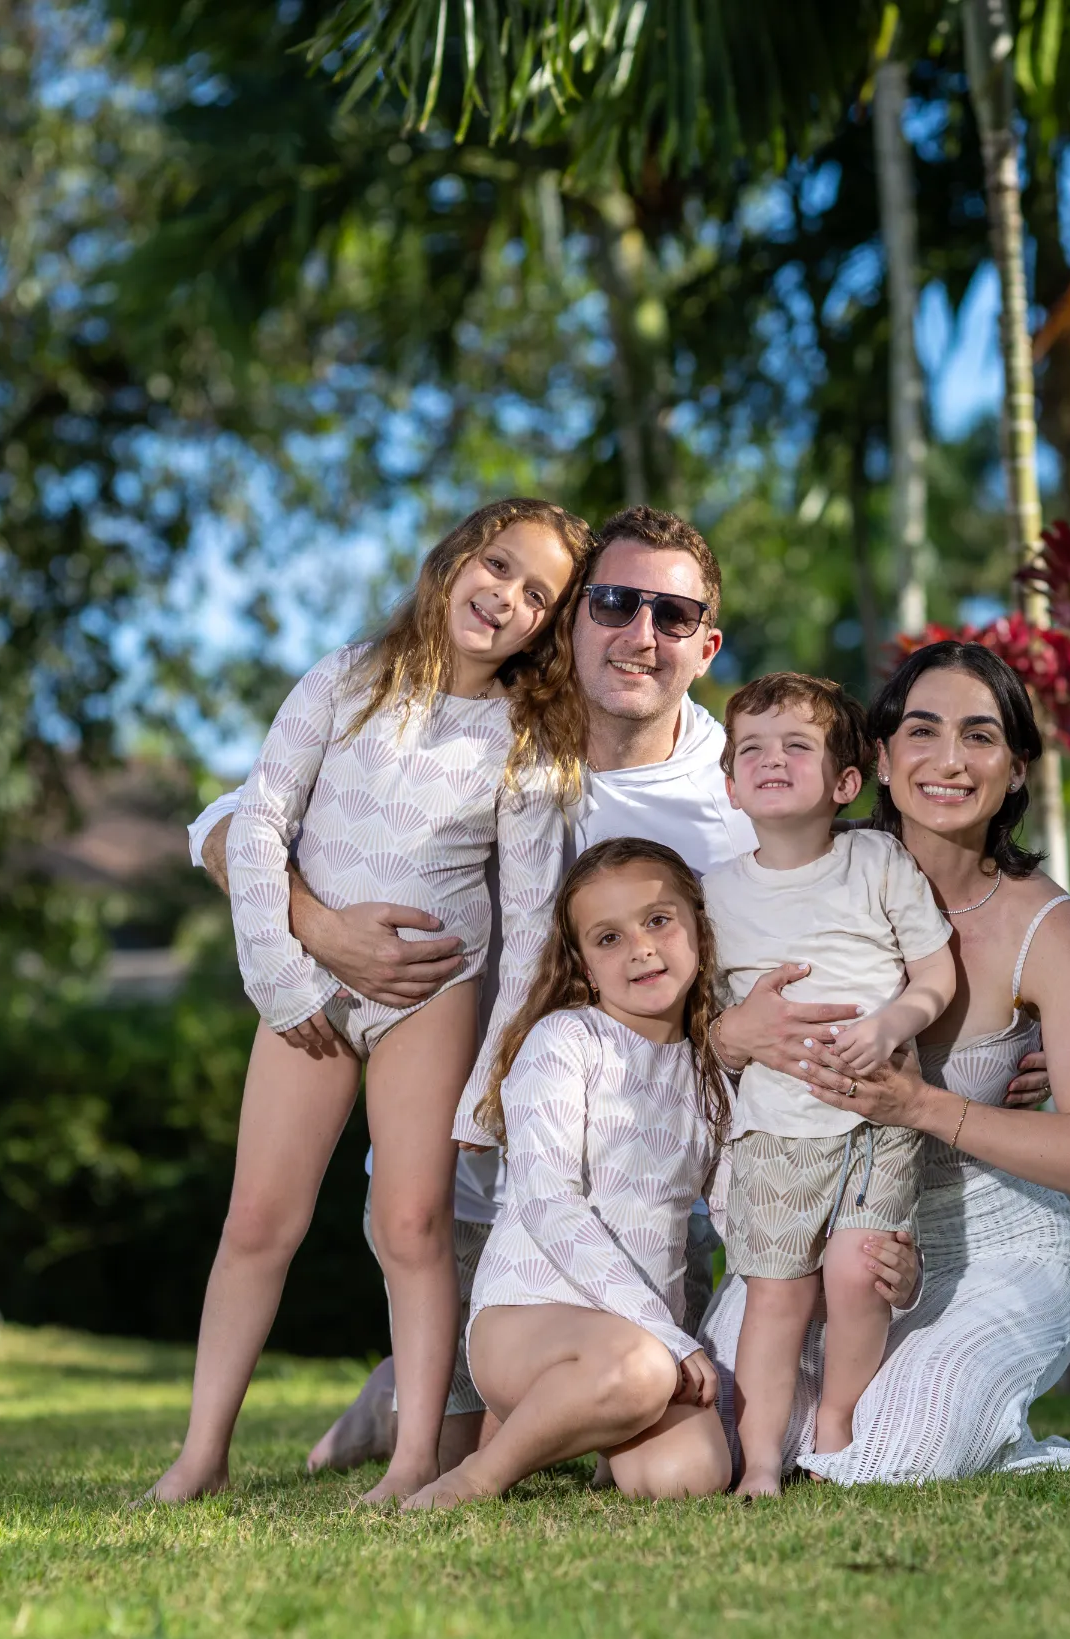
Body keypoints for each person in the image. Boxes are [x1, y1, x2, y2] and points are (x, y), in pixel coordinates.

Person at [187, 506, 775, 1474]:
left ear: (705, 644)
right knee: (431, 1345)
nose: (640, 634)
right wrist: (320, 927)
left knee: (664, 1467)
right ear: (574, 624)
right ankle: (405, 1406)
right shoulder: (459, 712)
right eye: (615, 603)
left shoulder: (733, 792)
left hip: (629, 1183)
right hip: (469, 1172)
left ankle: (437, 1407)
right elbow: (228, 819)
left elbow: (825, 902)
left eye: (671, 616)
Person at [143, 497, 591, 1507]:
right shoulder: (347, 677)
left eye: (536, 596)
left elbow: (529, 926)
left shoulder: (526, 742)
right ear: (454, 561)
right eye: (499, 566)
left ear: (547, 628)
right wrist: (280, 970)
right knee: (258, 1218)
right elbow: (258, 820)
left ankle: (412, 1458)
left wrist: (489, 1084)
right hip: (305, 991)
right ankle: (200, 1454)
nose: (507, 598)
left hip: (430, 1001)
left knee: (412, 1222)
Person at [702, 640, 1070, 1483]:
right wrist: (730, 1036)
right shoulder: (793, 876)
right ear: (879, 757)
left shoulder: (1045, 929)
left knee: (893, 1451)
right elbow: (673, 1042)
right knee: (733, 1435)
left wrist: (927, 1106)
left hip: (991, 1245)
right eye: (922, 731)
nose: (946, 759)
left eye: (978, 737)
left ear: (1013, 770)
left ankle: (994, 1430)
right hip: (821, 1234)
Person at [405, 838, 736, 1509]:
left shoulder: (710, 1071)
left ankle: (602, 1437)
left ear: (698, 926)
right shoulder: (565, 1042)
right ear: (582, 964)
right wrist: (666, 1336)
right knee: (642, 1369)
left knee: (691, 1477)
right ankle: (478, 1474)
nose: (641, 948)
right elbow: (550, 1203)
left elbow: (736, 1218)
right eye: (608, 937)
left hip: (639, 1337)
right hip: (527, 1320)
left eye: (658, 920)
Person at [701, 673, 956, 1497]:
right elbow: (707, 1020)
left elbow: (933, 972)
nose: (772, 760)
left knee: (855, 1272)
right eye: (753, 749)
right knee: (774, 1301)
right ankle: (762, 1461)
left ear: (845, 783)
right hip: (774, 1133)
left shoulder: (874, 860)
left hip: (877, 1120)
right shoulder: (713, 893)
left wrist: (893, 1023)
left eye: (797, 746)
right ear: (729, 784)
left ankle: (838, 1425)